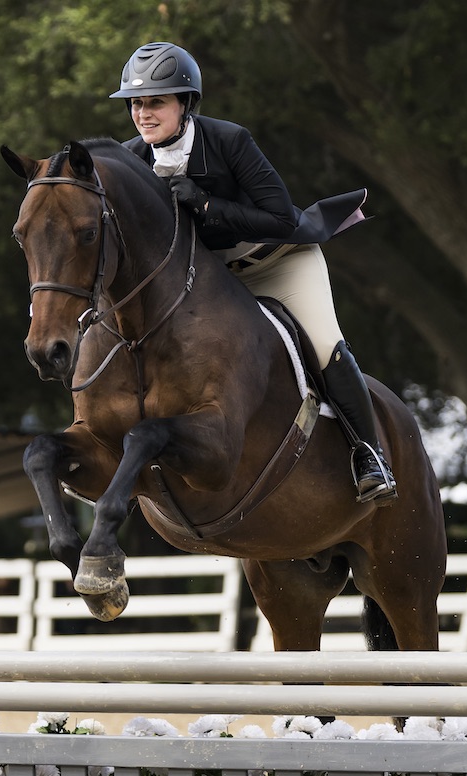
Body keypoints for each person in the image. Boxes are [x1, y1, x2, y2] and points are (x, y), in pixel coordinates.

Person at [110, 42, 397, 506]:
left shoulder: (229, 140)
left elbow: (281, 217)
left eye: (156, 102)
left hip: (280, 262)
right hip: (216, 282)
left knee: (324, 346)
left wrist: (207, 205)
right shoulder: (130, 160)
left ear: (186, 104)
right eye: (136, 103)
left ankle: (370, 454)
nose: (143, 114)